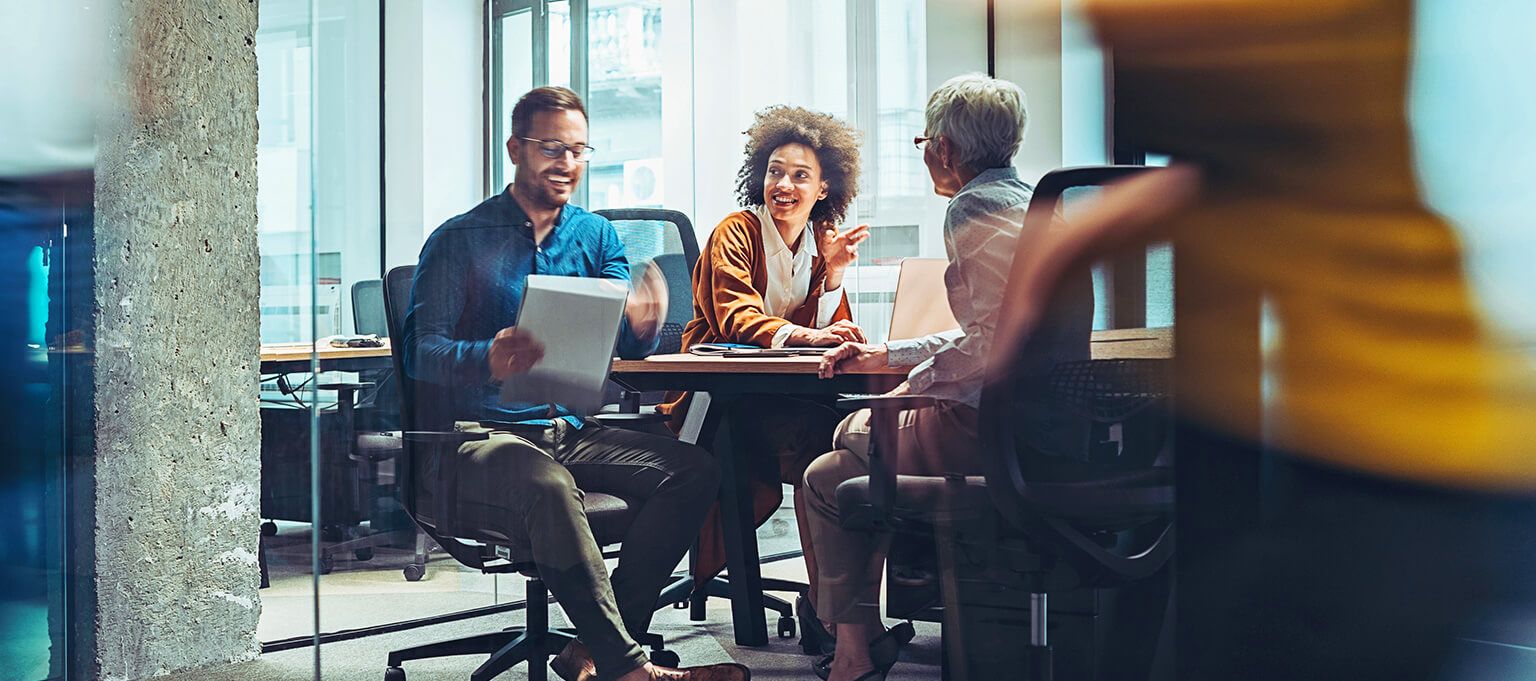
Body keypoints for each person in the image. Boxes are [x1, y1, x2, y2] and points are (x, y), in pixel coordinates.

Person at [990, 1, 1536, 679]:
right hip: (1360, 437)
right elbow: (1235, 163)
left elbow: (1264, 136)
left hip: (1401, 449)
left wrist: (1072, 252)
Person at [402, 86, 748, 681]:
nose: (567, 162)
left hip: (567, 427)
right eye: (551, 147)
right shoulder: (459, 240)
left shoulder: (596, 238)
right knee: (551, 486)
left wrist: (643, 320)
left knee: (694, 471)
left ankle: (595, 651)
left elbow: (629, 341)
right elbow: (417, 351)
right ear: (515, 148)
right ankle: (630, 671)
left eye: (579, 149)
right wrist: (488, 356)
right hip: (475, 438)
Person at [804, 74, 1092, 681]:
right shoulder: (1036, 204)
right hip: (1050, 431)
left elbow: (989, 348)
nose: (926, 152)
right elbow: (994, 332)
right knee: (833, 476)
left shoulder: (973, 206)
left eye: (925, 141)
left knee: (846, 439)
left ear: (947, 150)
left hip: (995, 432)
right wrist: (891, 351)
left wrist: (916, 384)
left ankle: (853, 648)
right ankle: (857, 650)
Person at [659, 105, 869, 652]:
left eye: (801, 175)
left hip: (777, 397)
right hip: (717, 401)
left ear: (824, 188)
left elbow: (832, 326)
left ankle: (833, 608)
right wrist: (806, 338)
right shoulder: (737, 230)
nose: (785, 184)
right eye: (776, 171)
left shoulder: (820, 243)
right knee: (818, 445)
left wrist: (836, 274)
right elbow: (735, 317)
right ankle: (829, 615)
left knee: (844, 441)